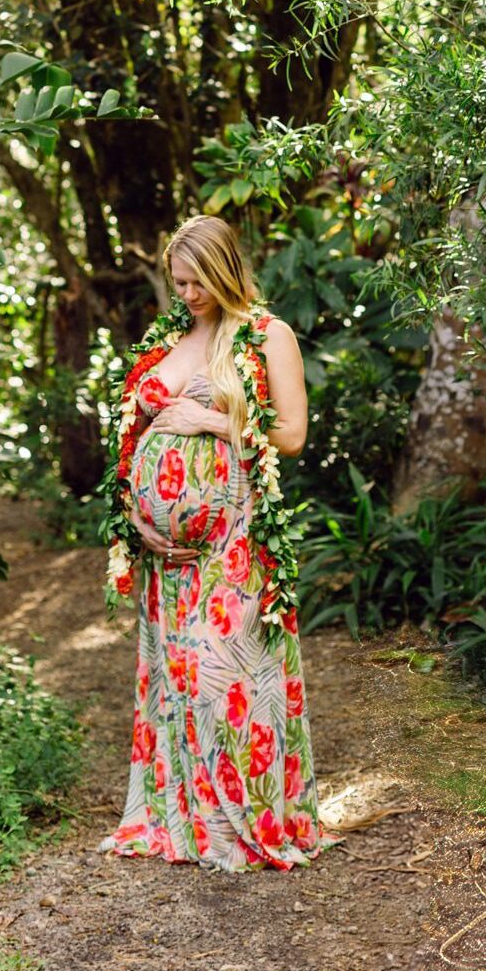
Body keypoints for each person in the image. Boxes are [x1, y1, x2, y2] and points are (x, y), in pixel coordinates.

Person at [97, 213, 338, 872]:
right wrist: (138, 514)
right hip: (166, 558)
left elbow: (289, 435)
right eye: (177, 283)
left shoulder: (266, 336)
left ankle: (245, 818)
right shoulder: (169, 336)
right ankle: (185, 820)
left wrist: (208, 419)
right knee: (174, 683)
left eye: (197, 281)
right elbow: (135, 433)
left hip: (232, 544)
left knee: (227, 677)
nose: (187, 294)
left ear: (224, 269)